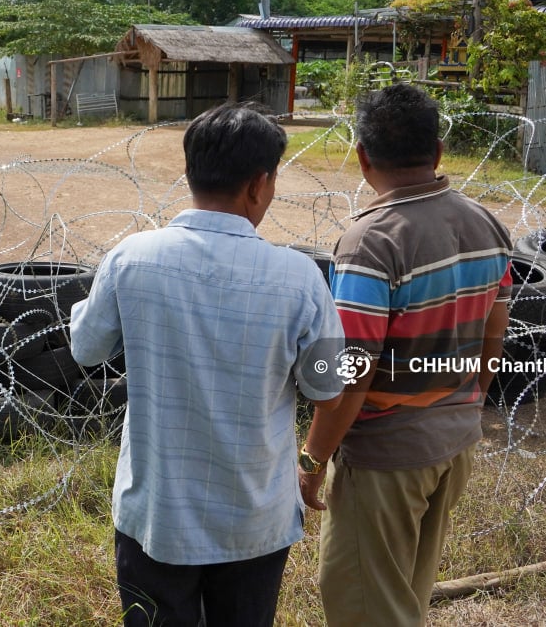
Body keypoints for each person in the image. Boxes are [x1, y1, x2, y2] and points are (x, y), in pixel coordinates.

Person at [69, 103, 345, 627]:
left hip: (157, 513)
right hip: (253, 519)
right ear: (259, 185)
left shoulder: (132, 258)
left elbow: (86, 349)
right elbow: (330, 390)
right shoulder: (299, 277)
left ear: (191, 172)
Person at [300, 83, 512, 626]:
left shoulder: (371, 242)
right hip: (455, 441)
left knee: (364, 606)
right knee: (405, 598)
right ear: (438, 152)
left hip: (388, 455)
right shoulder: (487, 224)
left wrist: (312, 460)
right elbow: (495, 332)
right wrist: (466, 403)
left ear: (362, 155)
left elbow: (351, 370)